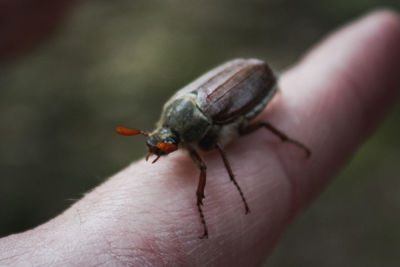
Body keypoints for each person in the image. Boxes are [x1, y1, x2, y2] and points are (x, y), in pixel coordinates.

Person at [0, 9, 399, 266]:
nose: (160, 145)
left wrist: (237, 185)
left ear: (181, 137)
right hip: (230, 81)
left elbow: (215, 147)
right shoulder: (174, 114)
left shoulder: (202, 136)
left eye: (163, 143)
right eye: (160, 142)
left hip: (254, 87)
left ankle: (275, 147)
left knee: (238, 137)